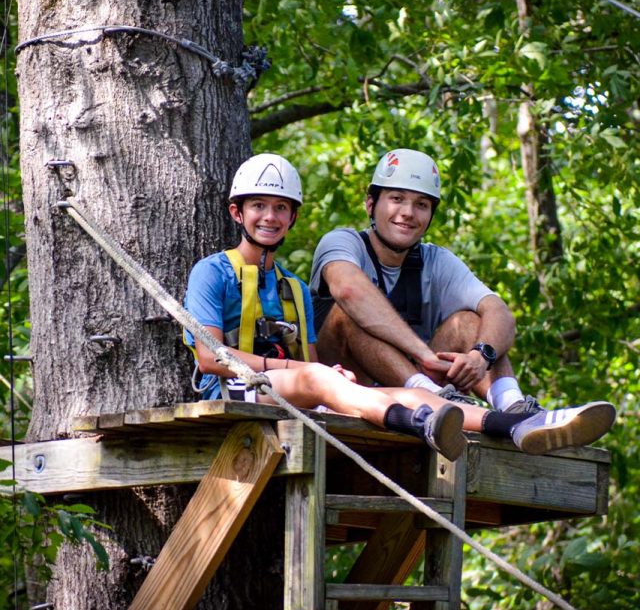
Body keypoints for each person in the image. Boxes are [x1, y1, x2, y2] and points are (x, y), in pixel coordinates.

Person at [184, 153, 614, 460]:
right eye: (259, 206)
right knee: (338, 355)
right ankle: (424, 417)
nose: (270, 217)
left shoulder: (291, 286)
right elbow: (210, 357)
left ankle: (518, 419)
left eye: (280, 208)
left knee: (435, 359)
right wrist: (305, 372)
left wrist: (479, 355)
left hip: (316, 387)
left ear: (293, 217)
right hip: (243, 387)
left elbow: (310, 363)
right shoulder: (215, 270)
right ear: (237, 213)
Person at [309, 148, 616, 452]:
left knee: (469, 323)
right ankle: (433, 397)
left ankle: (516, 408)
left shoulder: (435, 260)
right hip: (344, 390)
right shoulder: (342, 242)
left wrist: (480, 357)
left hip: (416, 394)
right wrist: (423, 357)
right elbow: (349, 290)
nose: (408, 212)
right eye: (397, 199)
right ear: (370, 204)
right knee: (346, 313)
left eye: (421, 204)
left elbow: (499, 313)